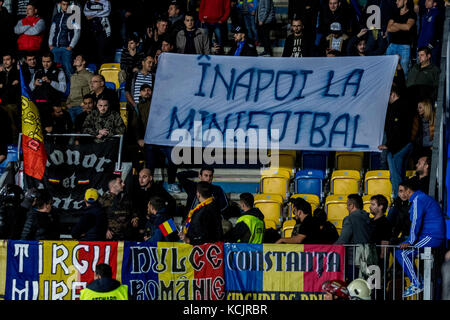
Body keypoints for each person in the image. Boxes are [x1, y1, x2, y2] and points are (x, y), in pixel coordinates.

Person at [395, 178, 445, 297]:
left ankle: (416, 283)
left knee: (403, 254)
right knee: (399, 252)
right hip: (427, 235)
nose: (400, 194)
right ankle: (417, 281)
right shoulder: (419, 198)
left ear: (408, 191)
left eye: (402, 191)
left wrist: (410, 241)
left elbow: (416, 222)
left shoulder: (418, 199)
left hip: (432, 236)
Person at [378, 83, 414, 198]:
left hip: (397, 148)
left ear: (392, 94)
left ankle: (400, 201)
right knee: (400, 176)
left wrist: (388, 145)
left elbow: (397, 129)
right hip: (404, 145)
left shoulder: (397, 107)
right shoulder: (404, 105)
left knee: (396, 177)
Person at [132, 168, 177, 237]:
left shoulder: (158, 189)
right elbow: (135, 207)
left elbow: (172, 202)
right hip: (144, 222)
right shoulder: (136, 190)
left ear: (150, 178)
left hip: (160, 219)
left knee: (170, 238)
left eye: (144, 177)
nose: (141, 180)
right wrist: (135, 217)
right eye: (139, 177)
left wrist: (159, 214)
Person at [29, 52, 67, 128]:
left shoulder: (59, 71)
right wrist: (34, 84)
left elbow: (63, 88)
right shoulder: (38, 71)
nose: (45, 64)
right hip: (38, 105)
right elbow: (30, 88)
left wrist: (50, 82)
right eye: (44, 61)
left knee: (50, 129)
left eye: (48, 62)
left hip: (51, 106)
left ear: (52, 61)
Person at [48, 0, 81, 80]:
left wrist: (71, 46)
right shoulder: (56, 16)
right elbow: (52, 30)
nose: (65, 7)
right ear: (60, 5)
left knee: (68, 70)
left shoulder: (74, 16)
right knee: (55, 71)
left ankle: (71, 90)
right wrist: (50, 44)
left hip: (66, 48)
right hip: (55, 48)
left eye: (67, 5)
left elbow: (77, 32)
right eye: (63, 4)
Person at [99, 176, 137, 241]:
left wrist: (135, 217)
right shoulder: (103, 200)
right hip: (111, 237)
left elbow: (133, 210)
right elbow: (97, 217)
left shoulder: (126, 197)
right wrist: (105, 229)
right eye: (120, 182)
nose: (123, 184)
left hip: (127, 237)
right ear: (113, 186)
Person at [385, 0, 417, 75]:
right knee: (387, 71)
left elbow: (408, 27)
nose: (396, 2)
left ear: (405, 1)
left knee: (403, 72)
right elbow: (389, 28)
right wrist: (402, 26)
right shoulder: (395, 13)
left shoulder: (411, 14)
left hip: (404, 47)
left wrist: (395, 24)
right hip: (392, 45)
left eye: (398, 0)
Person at [83, 0, 113, 67]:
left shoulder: (106, 2)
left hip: (103, 30)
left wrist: (93, 15)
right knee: (91, 52)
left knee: (103, 52)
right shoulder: (88, 2)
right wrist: (99, 13)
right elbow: (86, 12)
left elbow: (106, 12)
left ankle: (103, 71)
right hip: (91, 30)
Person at [65, 54, 94, 122]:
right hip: (71, 106)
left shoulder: (89, 75)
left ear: (83, 62)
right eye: (75, 59)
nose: (75, 60)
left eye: (78, 59)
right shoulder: (73, 76)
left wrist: (86, 105)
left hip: (81, 107)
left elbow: (93, 91)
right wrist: (67, 103)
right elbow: (71, 92)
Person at [0, 53, 20, 142]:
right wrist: (9, 85)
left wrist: (3, 86)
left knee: (13, 126)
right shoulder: (1, 73)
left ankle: (15, 146)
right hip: (2, 103)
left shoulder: (17, 72)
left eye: (8, 59)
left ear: (13, 60)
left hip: (13, 104)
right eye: (4, 60)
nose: (5, 62)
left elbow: (14, 89)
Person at [369, 194, 392, 266]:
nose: (370, 207)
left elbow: (385, 242)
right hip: (369, 258)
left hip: (377, 260)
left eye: (373, 204)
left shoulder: (385, 223)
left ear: (380, 207)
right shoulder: (370, 221)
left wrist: (382, 260)